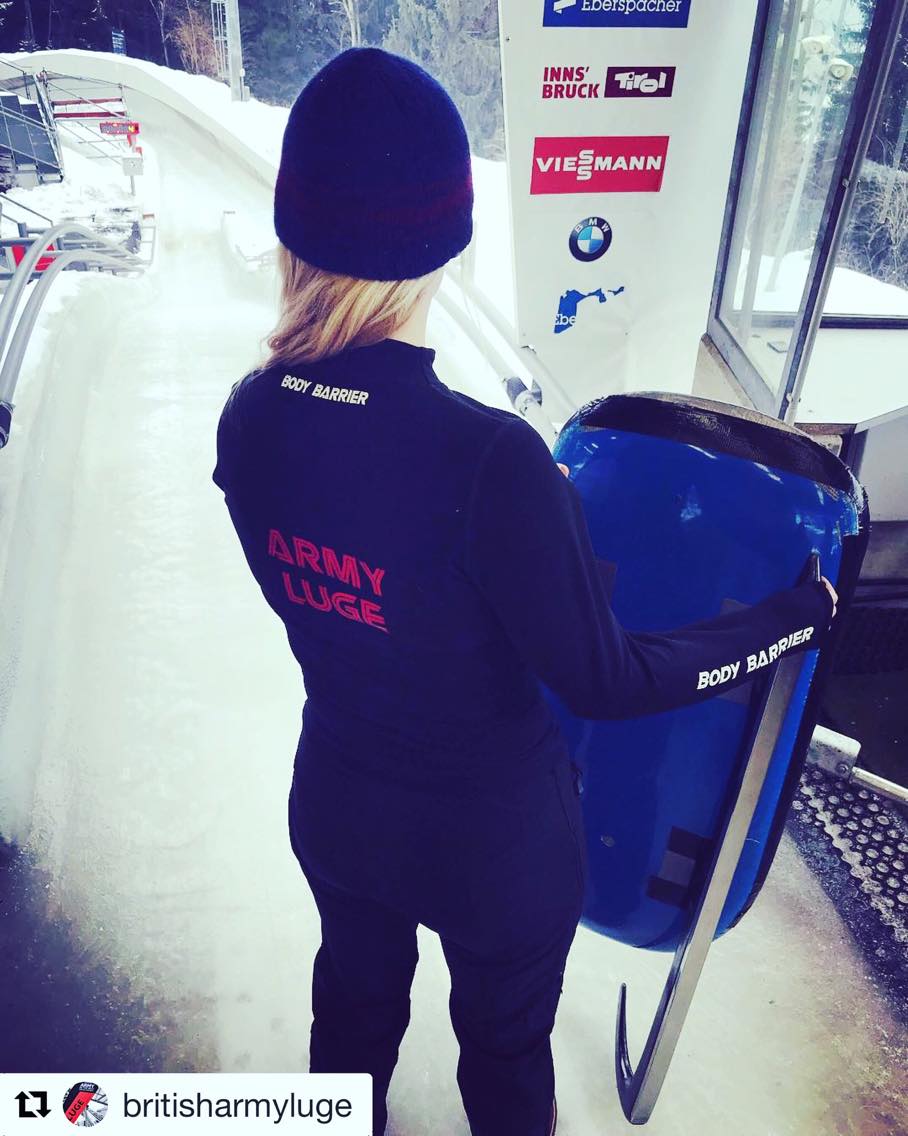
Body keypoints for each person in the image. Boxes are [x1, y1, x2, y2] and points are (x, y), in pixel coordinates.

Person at [212, 47, 838, 1136]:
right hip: (491, 844)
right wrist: (786, 618)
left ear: (295, 229)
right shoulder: (490, 460)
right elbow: (604, 679)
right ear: (436, 242)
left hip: (342, 809)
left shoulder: (248, 417)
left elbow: (355, 588)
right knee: (502, 1055)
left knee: (349, 1021)